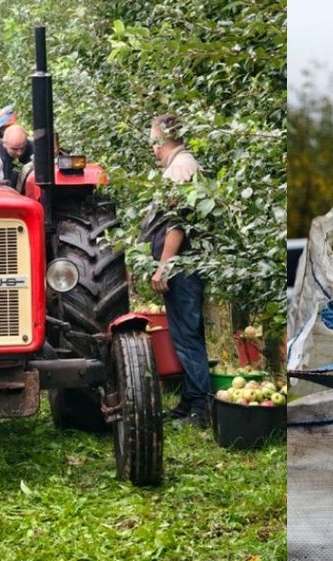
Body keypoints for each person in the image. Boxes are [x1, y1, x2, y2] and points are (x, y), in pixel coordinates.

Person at [140, 114, 210, 428]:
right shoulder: (178, 166)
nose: (152, 146)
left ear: (163, 138)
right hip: (183, 268)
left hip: (183, 269)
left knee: (188, 335)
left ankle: (201, 408)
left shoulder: (181, 167)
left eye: (153, 139)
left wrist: (165, 266)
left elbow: (177, 224)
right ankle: (190, 398)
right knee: (183, 333)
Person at [0, 124, 32, 189]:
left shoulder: (32, 148)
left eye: (22, 148)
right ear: (4, 144)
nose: (19, 153)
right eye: (14, 149)